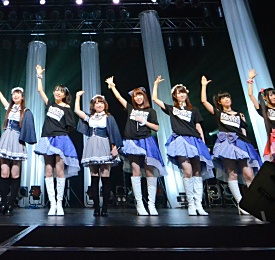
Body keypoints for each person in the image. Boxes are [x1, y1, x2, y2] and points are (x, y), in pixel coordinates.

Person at [152, 76, 213, 216]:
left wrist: (203, 143)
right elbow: (155, 99)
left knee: (197, 171)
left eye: (183, 92)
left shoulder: (194, 109)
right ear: (174, 95)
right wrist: (155, 84)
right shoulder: (172, 109)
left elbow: (198, 126)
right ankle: (191, 204)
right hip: (180, 140)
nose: (181, 95)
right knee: (187, 171)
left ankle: (199, 204)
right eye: (179, 93)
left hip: (195, 140)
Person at [201, 76, 261, 215]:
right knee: (232, 173)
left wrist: (248, 145)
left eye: (228, 97)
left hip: (241, 143)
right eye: (223, 98)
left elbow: (243, 131)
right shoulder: (218, 113)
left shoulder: (240, 115)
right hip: (226, 144)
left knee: (249, 174)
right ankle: (241, 204)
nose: (227, 99)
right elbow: (204, 101)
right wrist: (204, 86)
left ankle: (252, 203)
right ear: (219, 102)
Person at [106, 76, 163, 216]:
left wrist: (144, 121)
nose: (138, 98)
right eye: (136, 96)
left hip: (146, 141)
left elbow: (156, 128)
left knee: (149, 172)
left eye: (140, 95)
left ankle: (151, 205)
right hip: (132, 141)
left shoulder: (151, 111)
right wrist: (112, 86)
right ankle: (140, 204)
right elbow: (119, 98)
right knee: (135, 171)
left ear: (144, 97)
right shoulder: (131, 109)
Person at [34, 65, 79, 216]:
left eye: (61, 91)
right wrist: (39, 75)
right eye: (56, 90)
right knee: (48, 170)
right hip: (47, 138)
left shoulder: (67, 108)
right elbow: (40, 90)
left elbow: (70, 125)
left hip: (60, 139)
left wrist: (61, 134)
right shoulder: (50, 104)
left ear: (65, 94)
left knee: (59, 170)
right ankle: (52, 203)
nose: (58, 92)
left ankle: (59, 203)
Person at [0, 79, 37, 215]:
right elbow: (2, 98)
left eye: (18, 94)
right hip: (6, 139)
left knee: (15, 174)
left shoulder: (25, 111)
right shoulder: (9, 109)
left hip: (17, 140)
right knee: (4, 173)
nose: (15, 96)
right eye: (14, 94)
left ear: (22, 97)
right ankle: (3, 204)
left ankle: (11, 204)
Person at [74, 91, 122, 217]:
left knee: (105, 178)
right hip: (92, 146)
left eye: (101, 102)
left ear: (105, 104)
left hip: (104, 145)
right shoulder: (90, 117)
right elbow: (77, 111)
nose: (99, 105)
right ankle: (96, 208)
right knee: (94, 178)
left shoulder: (108, 117)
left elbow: (114, 132)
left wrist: (114, 147)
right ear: (93, 106)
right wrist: (78, 97)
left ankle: (105, 208)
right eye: (96, 103)